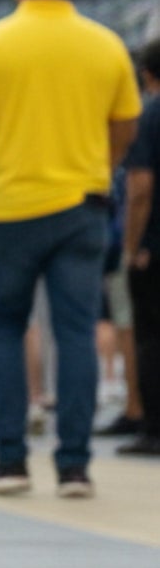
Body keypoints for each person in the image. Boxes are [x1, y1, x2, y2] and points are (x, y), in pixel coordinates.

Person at [0, 0, 140, 498]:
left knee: (5, 327)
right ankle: (74, 466)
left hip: (10, 209)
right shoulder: (105, 44)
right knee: (75, 332)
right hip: (82, 206)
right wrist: (100, 166)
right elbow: (126, 126)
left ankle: (10, 460)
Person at [117, 40, 160, 459]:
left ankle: (153, 428)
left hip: (155, 246)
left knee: (150, 338)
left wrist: (133, 246)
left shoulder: (148, 117)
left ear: (147, 76)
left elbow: (141, 189)